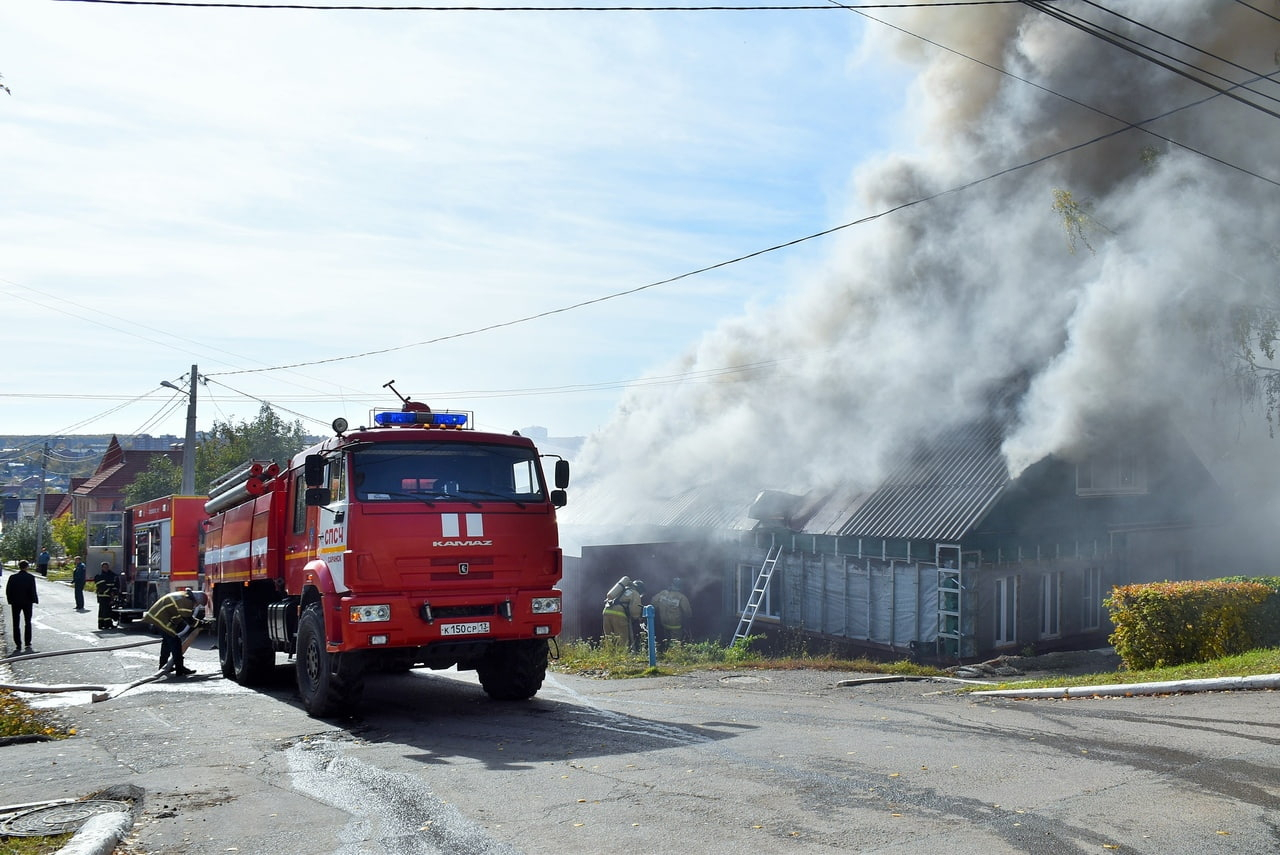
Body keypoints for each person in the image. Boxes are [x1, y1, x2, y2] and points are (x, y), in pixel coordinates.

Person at [142, 588, 207, 676]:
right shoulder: (186, 601)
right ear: (196, 599)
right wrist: (202, 624)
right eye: (198, 603)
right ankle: (179, 668)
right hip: (160, 617)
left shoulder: (184, 596)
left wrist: (199, 623)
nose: (196, 606)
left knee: (167, 642)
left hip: (158, 616)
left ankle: (163, 666)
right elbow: (189, 620)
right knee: (175, 642)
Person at [602, 579, 646, 652]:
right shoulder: (635, 593)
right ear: (640, 589)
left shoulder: (620, 590)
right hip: (619, 614)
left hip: (606, 611)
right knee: (621, 638)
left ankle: (609, 656)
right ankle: (622, 657)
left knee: (609, 637)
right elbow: (635, 612)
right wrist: (638, 617)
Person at [6, 560, 38, 652]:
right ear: (27, 567)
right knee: (27, 622)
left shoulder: (12, 577)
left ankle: (18, 644)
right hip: (27, 602)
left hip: (15, 602)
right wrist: (34, 600)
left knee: (16, 623)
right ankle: (27, 642)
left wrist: (10, 600)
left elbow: (8, 590)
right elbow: (32, 590)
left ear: (19, 567)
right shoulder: (30, 577)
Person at [652, 577, 693, 651]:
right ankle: (673, 656)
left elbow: (653, 603)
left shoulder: (662, 594)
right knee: (675, 644)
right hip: (676, 626)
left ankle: (666, 653)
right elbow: (688, 612)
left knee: (667, 641)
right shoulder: (681, 597)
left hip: (664, 624)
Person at [92, 561, 119, 630]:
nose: (106, 568)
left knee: (107, 610)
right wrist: (110, 593)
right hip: (102, 596)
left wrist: (114, 594)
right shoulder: (99, 576)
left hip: (110, 596)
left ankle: (104, 624)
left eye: (107, 567)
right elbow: (101, 586)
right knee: (104, 611)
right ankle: (105, 625)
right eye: (104, 567)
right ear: (102, 568)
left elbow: (116, 585)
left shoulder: (112, 575)